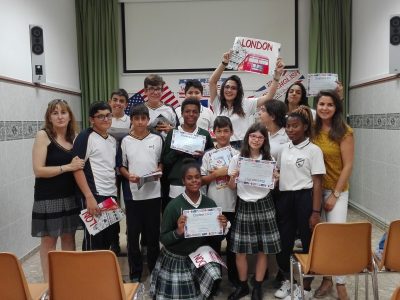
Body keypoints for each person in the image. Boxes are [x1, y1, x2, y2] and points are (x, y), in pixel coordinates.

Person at [149, 159, 228, 300]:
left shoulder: (209, 203)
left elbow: (216, 238)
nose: (194, 181)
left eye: (197, 177)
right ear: (183, 181)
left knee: (214, 272)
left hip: (197, 253)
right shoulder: (174, 206)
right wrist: (178, 232)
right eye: (189, 178)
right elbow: (164, 238)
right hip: (176, 256)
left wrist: (221, 228)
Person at [274, 106, 325, 300]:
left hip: (305, 198)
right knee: (283, 243)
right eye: (288, 126)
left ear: (305, 127)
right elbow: (277, 173)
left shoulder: (314, 150)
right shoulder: (283, 149)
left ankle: (306, 287)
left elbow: (318, 183)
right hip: (285, 199)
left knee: (308, 243)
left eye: (295, 126)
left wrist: (315, 211)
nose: (290, 130)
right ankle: (290, 281)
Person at [31, 99, 85, 281]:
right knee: (49, 241)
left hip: (70, 196)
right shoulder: (43, 135)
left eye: (63, 112)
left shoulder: (75, 137)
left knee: (69, 239)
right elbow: (38, 170)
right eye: (55, 113)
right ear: (49, 117)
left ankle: (68, 281)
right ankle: (48, 284)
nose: (60, 116)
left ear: (70, 116)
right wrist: (67, 167)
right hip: (48, 198)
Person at [227, 123, 281, 300]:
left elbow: (272, 187)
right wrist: (234, 176)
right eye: (253, 136)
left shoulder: (269, 159)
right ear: (247, 138)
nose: (256, 140)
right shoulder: (237, 158)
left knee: (263, 249)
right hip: (244, 204)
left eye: (260, 137)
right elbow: (231, 186)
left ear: (264, 140)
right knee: (239, 250)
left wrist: (275, 178)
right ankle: (243, 285)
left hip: (264, 204)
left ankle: (257, 285)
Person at [312, 90, 354, 300]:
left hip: (337, 189)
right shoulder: (312, 129)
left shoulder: (344, 131)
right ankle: (326, 279)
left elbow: (348, 166)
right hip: (315, 191)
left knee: (336, 237)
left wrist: (335, 195)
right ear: (316, 106)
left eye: (330, 104)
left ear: (336, 108)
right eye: (321, 104)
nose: (325, 108)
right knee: (321, 237)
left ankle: (341, 285)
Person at [118, 104, 163, 283]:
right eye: (136, 119)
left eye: (143, 118)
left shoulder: (157, 139)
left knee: (153, 236)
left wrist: (159, 171)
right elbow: (121, 166)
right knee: (133, 236)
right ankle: (135, 272)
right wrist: (129, 176)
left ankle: (154, 270)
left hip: (153, 194)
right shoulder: (125, 141)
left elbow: (160, 162)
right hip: (133, 197)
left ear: (148, 120)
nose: (140, 122)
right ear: (132, 120)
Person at [209, 51, 284, 149]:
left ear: (238, 91)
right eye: (227, 87)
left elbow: (269, 97)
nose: (229, 90)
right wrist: (224, 64)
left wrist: (277, 76)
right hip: (222, 145)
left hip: (242, 146)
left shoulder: (246, 103)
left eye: (233, 88)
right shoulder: (217, 103)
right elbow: (212, 81)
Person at [73, 101, 118, 251]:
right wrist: (89, 197)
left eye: (108, 116)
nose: (106, 119)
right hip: (94, 196)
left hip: (110, 196)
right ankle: (89, 274)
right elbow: (77, 169)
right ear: (92, 119)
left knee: (107, 240)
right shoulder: (85, 137)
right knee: (94, 242)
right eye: (101, 116)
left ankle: (103, 273)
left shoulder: (112, 140)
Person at [201, 116, 239, 286]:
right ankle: (214, 281)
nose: (222, 135)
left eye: (226, 131)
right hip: (213, 206)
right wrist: (216, 174)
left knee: (232, 245)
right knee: (213, 245)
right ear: (213, 133)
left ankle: (234, 280)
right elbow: (202, 180)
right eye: (219, 131)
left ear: (231, 132)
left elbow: (242, 180)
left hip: (232, 205)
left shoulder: (237, 155)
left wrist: (228, 172)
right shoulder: (208, 155)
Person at [161, 98, 214, 211]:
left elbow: (212, 160)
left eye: (195, 111)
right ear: (181, 113)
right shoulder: (173, 133)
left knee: (197, 219)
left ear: (199, 114)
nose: (191, 114)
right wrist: (176, 152)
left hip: (198, 184)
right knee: (178, 218)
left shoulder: (204, 134)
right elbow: (165, 160)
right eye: (187, 111)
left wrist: (204, 154)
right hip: (177, 185)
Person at [108, 88, 131, 256]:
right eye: (115, 99)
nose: (118, 103)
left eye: (121, 101)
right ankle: (113, 241)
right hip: (108, 169)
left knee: (130, 204)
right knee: (112, 205)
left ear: (126, 104)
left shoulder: (131, 121)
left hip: (127, 168)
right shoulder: (104, 120)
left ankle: (130, 237)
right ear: (110, 101)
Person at [143, 74, 178, 139]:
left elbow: (178, 132)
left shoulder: (169, 109)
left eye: (158, 89)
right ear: (145, 91)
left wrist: (172, 130)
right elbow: (132, 131)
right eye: (151, 88)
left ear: (162, 91)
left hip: (165, 147)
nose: (155, 92)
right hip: (144, 147)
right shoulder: (139, 109)